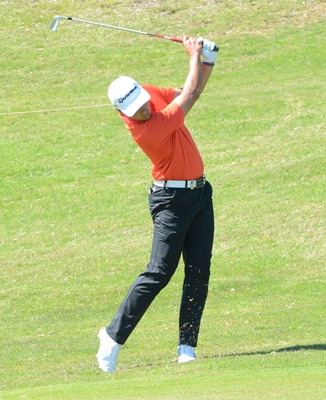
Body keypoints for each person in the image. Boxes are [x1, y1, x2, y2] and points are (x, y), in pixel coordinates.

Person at [97, 36, 218, 372]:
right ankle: (112, 336)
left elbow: (188, 90)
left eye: (143, 100)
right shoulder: (146, 130)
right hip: (171, 202)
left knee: (198, 270)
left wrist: (206, 61)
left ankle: (187, 347)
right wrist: (193, 55)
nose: (144, 107)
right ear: (123, 113)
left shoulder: (146, 97)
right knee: (159, 272)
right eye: (135, 108)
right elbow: (190, 94)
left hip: (198, 194)